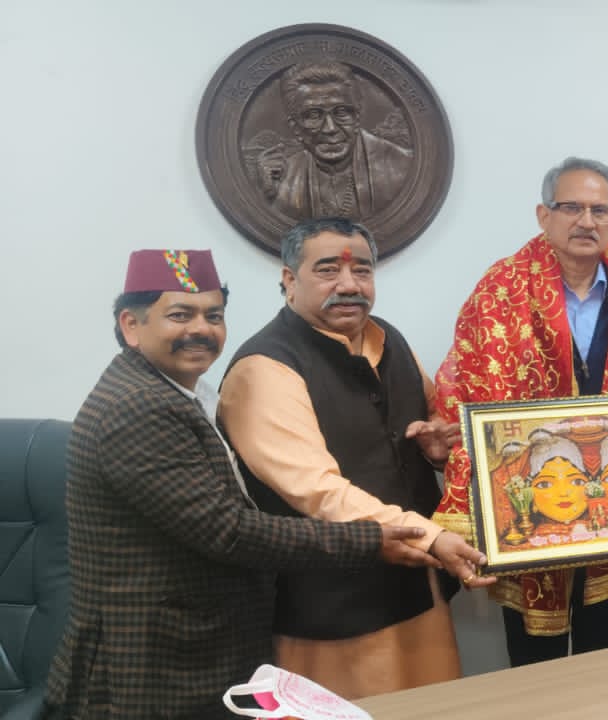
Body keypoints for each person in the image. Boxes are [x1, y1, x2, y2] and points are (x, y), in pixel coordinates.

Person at [45, 249, 438, 719]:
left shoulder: (179, 391)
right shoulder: (137, 409)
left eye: (213, 315)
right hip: (154, 668)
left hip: (198, 646)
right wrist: (371, 539)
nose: (201, 329)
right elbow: (229, 531)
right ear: (131, 325)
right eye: (180, 315)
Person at [431, 156, 608, 666]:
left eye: (600, 210)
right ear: (543, 215)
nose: (587, 221)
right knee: (536, 668)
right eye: (572, 208)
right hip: (535, 504)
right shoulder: (497, 293)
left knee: (605, 659)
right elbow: (472, 394)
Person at [217, 217, 493, 699]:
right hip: (331, 608)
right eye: (328, 270)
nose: (349, 285)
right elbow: (316, 490)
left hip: (418, 590)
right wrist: (431, 537)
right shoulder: (264, 368)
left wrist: (436, 451)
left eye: (362, 270)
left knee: (436, 708)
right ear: (289, 279)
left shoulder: (389, 340)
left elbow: (432, 423)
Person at [258, 62, 414, 219]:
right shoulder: (284, 178)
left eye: (341, 112)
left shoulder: (401, 166)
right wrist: (270, 196)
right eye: (314, 115)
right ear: (295, 127)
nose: (330, 128)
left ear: (357, 118)